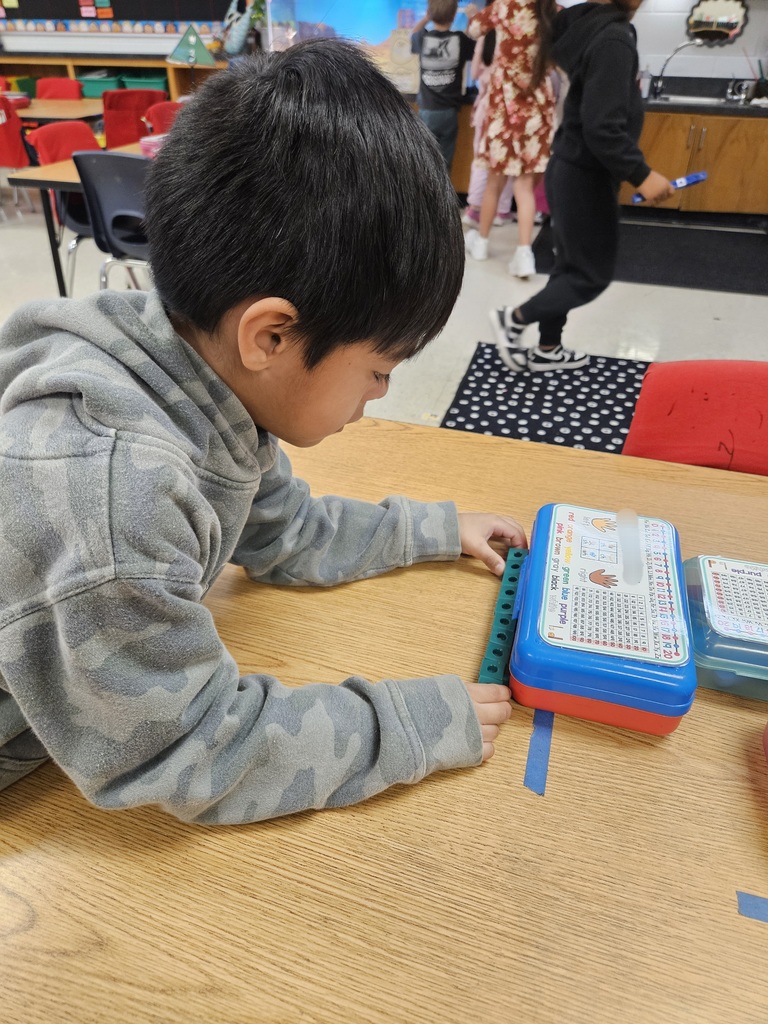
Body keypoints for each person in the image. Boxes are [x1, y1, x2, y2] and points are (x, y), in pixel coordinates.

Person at [0, 41, 522, 824]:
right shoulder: (114, 496)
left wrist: (437, 529)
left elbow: (287, 532)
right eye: (378, 370)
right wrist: (400, 725)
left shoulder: (204, 371)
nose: (376, 400)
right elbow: (195, 749)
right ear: (271, 336)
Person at [489, 0, 674, 373]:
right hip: (585, 176)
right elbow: (602, 128)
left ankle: (548, 347)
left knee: (569, 267)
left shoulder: (596, 28)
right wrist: (642, 174)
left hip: (570, 168)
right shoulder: (613, 39)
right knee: (590, 276)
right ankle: (515, 318)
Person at [463, 0, 557, 278]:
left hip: (504, 108)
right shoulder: (553, 10)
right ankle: (524, 254)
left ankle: (481, 243)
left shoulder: (503, 6)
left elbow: (473, 29)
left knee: (495, 181)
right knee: (525, 187)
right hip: (537, 112)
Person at [411, 0, 476, 172]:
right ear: (454, 16)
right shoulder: (460, 40)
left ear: (430, 13)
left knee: (424, 160)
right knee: (444, 163)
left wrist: (426, 18)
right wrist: (472, 18)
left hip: (427, 110)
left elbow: (414, 32)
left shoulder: (423, 38)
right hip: (449, 111)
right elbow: (474, 39)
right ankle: (443, 196)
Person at [462, 30, 515, 229]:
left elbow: (474, 73)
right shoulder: (516, 35)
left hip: (485, 109)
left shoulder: (486, 37)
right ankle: (502, 210)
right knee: (508, 161)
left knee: (481, 159)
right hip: (510, 109)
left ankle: (475, 209)